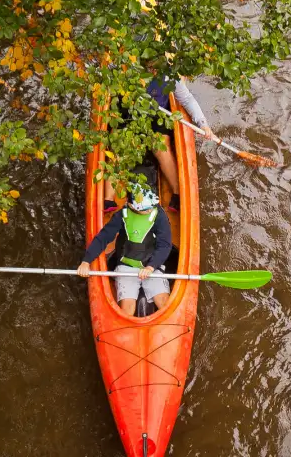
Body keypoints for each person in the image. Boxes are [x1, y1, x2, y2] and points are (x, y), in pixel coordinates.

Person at [102, 74, 213, 213]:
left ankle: (178, 193)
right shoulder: (128, 65)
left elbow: (186, 98)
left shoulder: (168, 72)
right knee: (119, 147)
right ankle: (108, 200)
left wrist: (203, 124)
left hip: (157, 114)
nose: (153, 68)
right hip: (128, 112)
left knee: (160, 146)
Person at [79, 184, 173, 315]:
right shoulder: (122, 215)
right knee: (127, 309)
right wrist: (86, 261)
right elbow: (103, 238)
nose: (149, 210)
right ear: (131, 205)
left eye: (150, 206)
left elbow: (165, 245)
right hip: (126, 266)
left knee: (163, 302)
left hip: (152, 266)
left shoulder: (159, 215)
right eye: (145, 208)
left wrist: (151, 266)